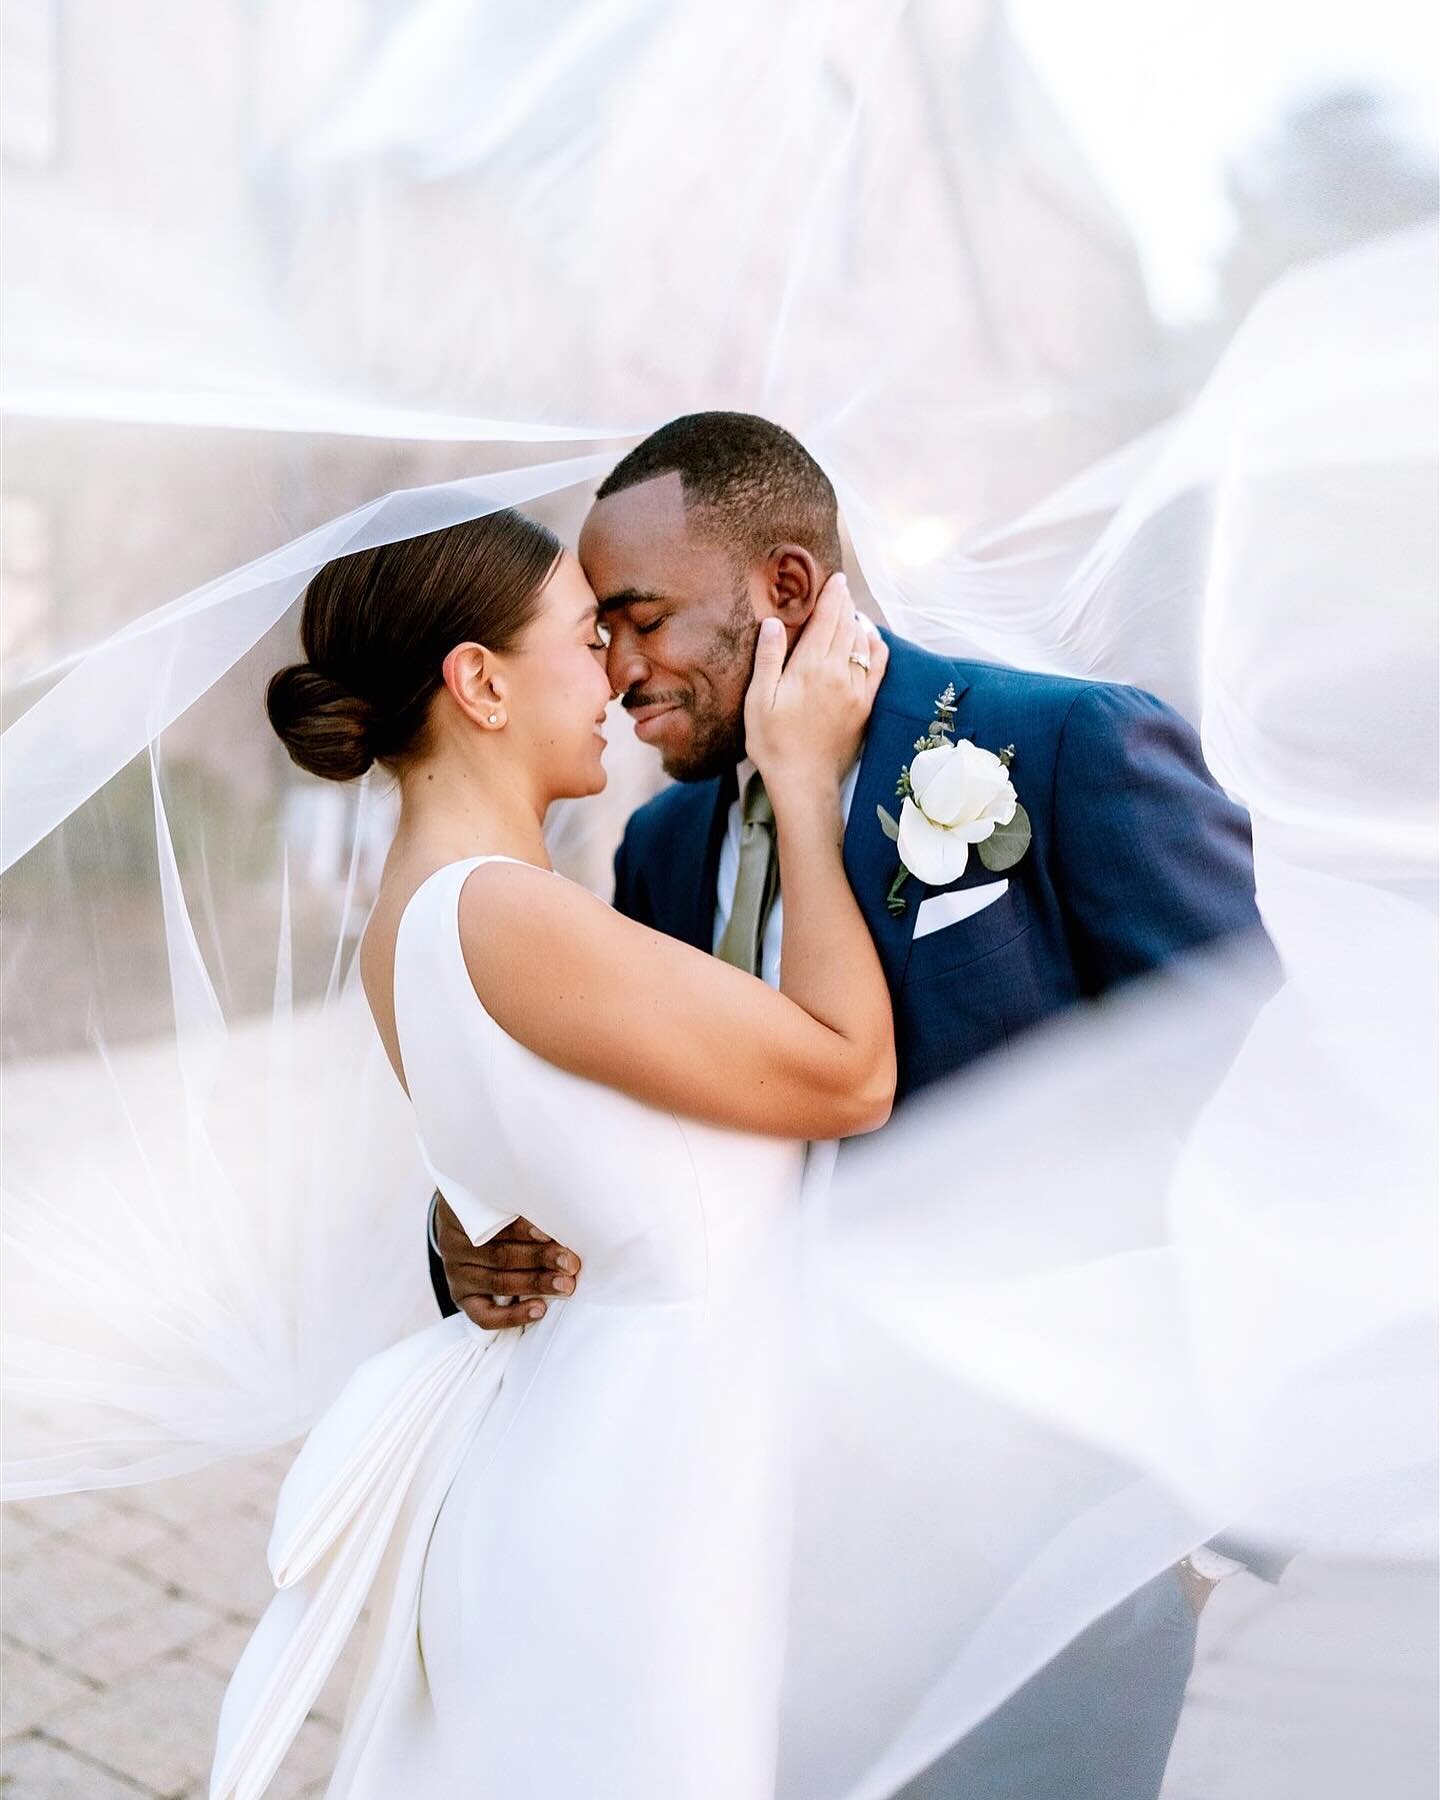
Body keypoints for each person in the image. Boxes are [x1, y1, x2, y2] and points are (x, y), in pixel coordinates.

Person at [431, 412, 1278, 1800]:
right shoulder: (663, 847)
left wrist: (1192, 1478)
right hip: (754, 1527)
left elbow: (1250, 1092)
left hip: (1035, 1529)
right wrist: (469, 1241)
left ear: (783, 589)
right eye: (597, 634)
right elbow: (604, 1125)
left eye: (640, 618)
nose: (616, 669)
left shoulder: (1062, 749)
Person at [213, 507, 896, 1797]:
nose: (616, 675)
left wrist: (450, 1238)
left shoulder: (415, 917)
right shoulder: (506, 913)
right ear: (478, 682)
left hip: (612, 1455)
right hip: (645, 1499)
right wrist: (803, 786)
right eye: (586, 639)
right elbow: (849, 1071)